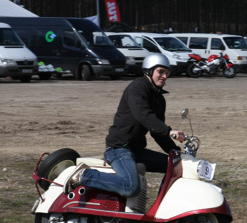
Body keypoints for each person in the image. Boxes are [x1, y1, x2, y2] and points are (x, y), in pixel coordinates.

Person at [64, 53, 186, 196]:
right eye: (161, 71)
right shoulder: (137, 88)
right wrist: (170, 131)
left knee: (174, 166)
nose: (164, 76)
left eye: (167, 73)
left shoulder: (159, 98)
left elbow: (157, 131)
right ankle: (83, 175)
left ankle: (161, 208)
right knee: (130, 186)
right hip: (118, 148)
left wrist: (175, 152)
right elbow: (143, 115)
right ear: (149, 70)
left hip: (137, 150)